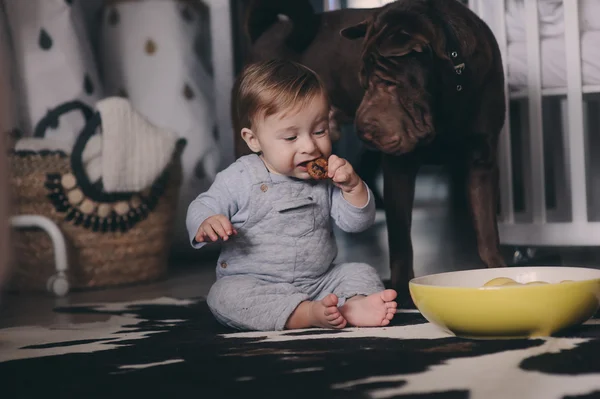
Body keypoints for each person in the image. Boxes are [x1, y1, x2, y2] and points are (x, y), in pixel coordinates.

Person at [186, 59, 397, 331]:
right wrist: (207, 220)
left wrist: (353, 187)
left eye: (319, 131)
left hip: (320, 282)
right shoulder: (240, 177)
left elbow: (357, 223)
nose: (310, 146)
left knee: (359, 271)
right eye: (290, 138)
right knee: (224, 296)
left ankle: (351, 305)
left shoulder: (327, 177)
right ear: (254, 140)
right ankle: (304, 314)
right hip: (256, 282)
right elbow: (203, 204)